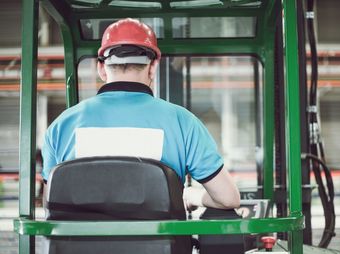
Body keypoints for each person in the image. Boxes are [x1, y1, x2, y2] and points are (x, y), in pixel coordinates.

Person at [41, 18, 240, 210]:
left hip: (78, 244)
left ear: (101, 68)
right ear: (152, 68)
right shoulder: (183, 123)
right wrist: (191, 195)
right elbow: (228, 198)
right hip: (161, 244)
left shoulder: (61, 126)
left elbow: (51, 202)